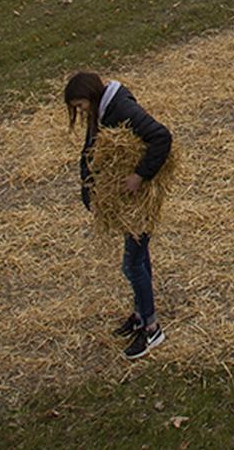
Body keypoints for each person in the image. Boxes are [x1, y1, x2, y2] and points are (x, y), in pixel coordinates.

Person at [65, 71, 174, 360]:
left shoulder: (121, 109)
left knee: (132, 264)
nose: (79, 111)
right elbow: (89, 152)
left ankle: (152, 329)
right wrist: (90, 194)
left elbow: (162, 137)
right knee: (139, 259)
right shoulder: (101, 112)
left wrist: (140, 175)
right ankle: (140, 314)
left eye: (79, 105)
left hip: (142, 200)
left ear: (91, 96)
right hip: (130, 202)